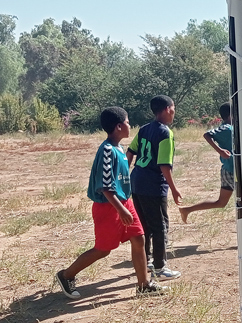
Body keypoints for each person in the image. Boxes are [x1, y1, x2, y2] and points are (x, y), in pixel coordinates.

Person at [55, 107, 163, 299]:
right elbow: (105, 186)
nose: (131, 126)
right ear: (119, 126)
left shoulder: (119, 148)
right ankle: (66, 275)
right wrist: (121, 210)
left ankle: (143, 285)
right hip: (109, 207)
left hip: (124, 202)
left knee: (139, 239)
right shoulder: (107, 150)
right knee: (103, 250)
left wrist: (125, 205)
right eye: (128, 122)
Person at [127, 96, 183, 280]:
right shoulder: (165, 133)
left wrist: (125, 175)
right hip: (153, 185)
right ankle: (160, 267)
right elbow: (164, 165)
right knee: (160, 226)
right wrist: (174, 189)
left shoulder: (143, 129)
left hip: (137, 182)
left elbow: (130, 152)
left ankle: (147, 260)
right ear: (167, 109)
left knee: (144, 226)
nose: (174, 112)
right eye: (173, 108)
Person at [178, 102, 234, 224]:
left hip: (231, 169)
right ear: (231, 115)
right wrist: (220, 151)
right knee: (231, 201)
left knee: (221, 203)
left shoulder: (233, 128)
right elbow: (207, 134)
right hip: (231, 170)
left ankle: (187, 210)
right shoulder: (227, 128)